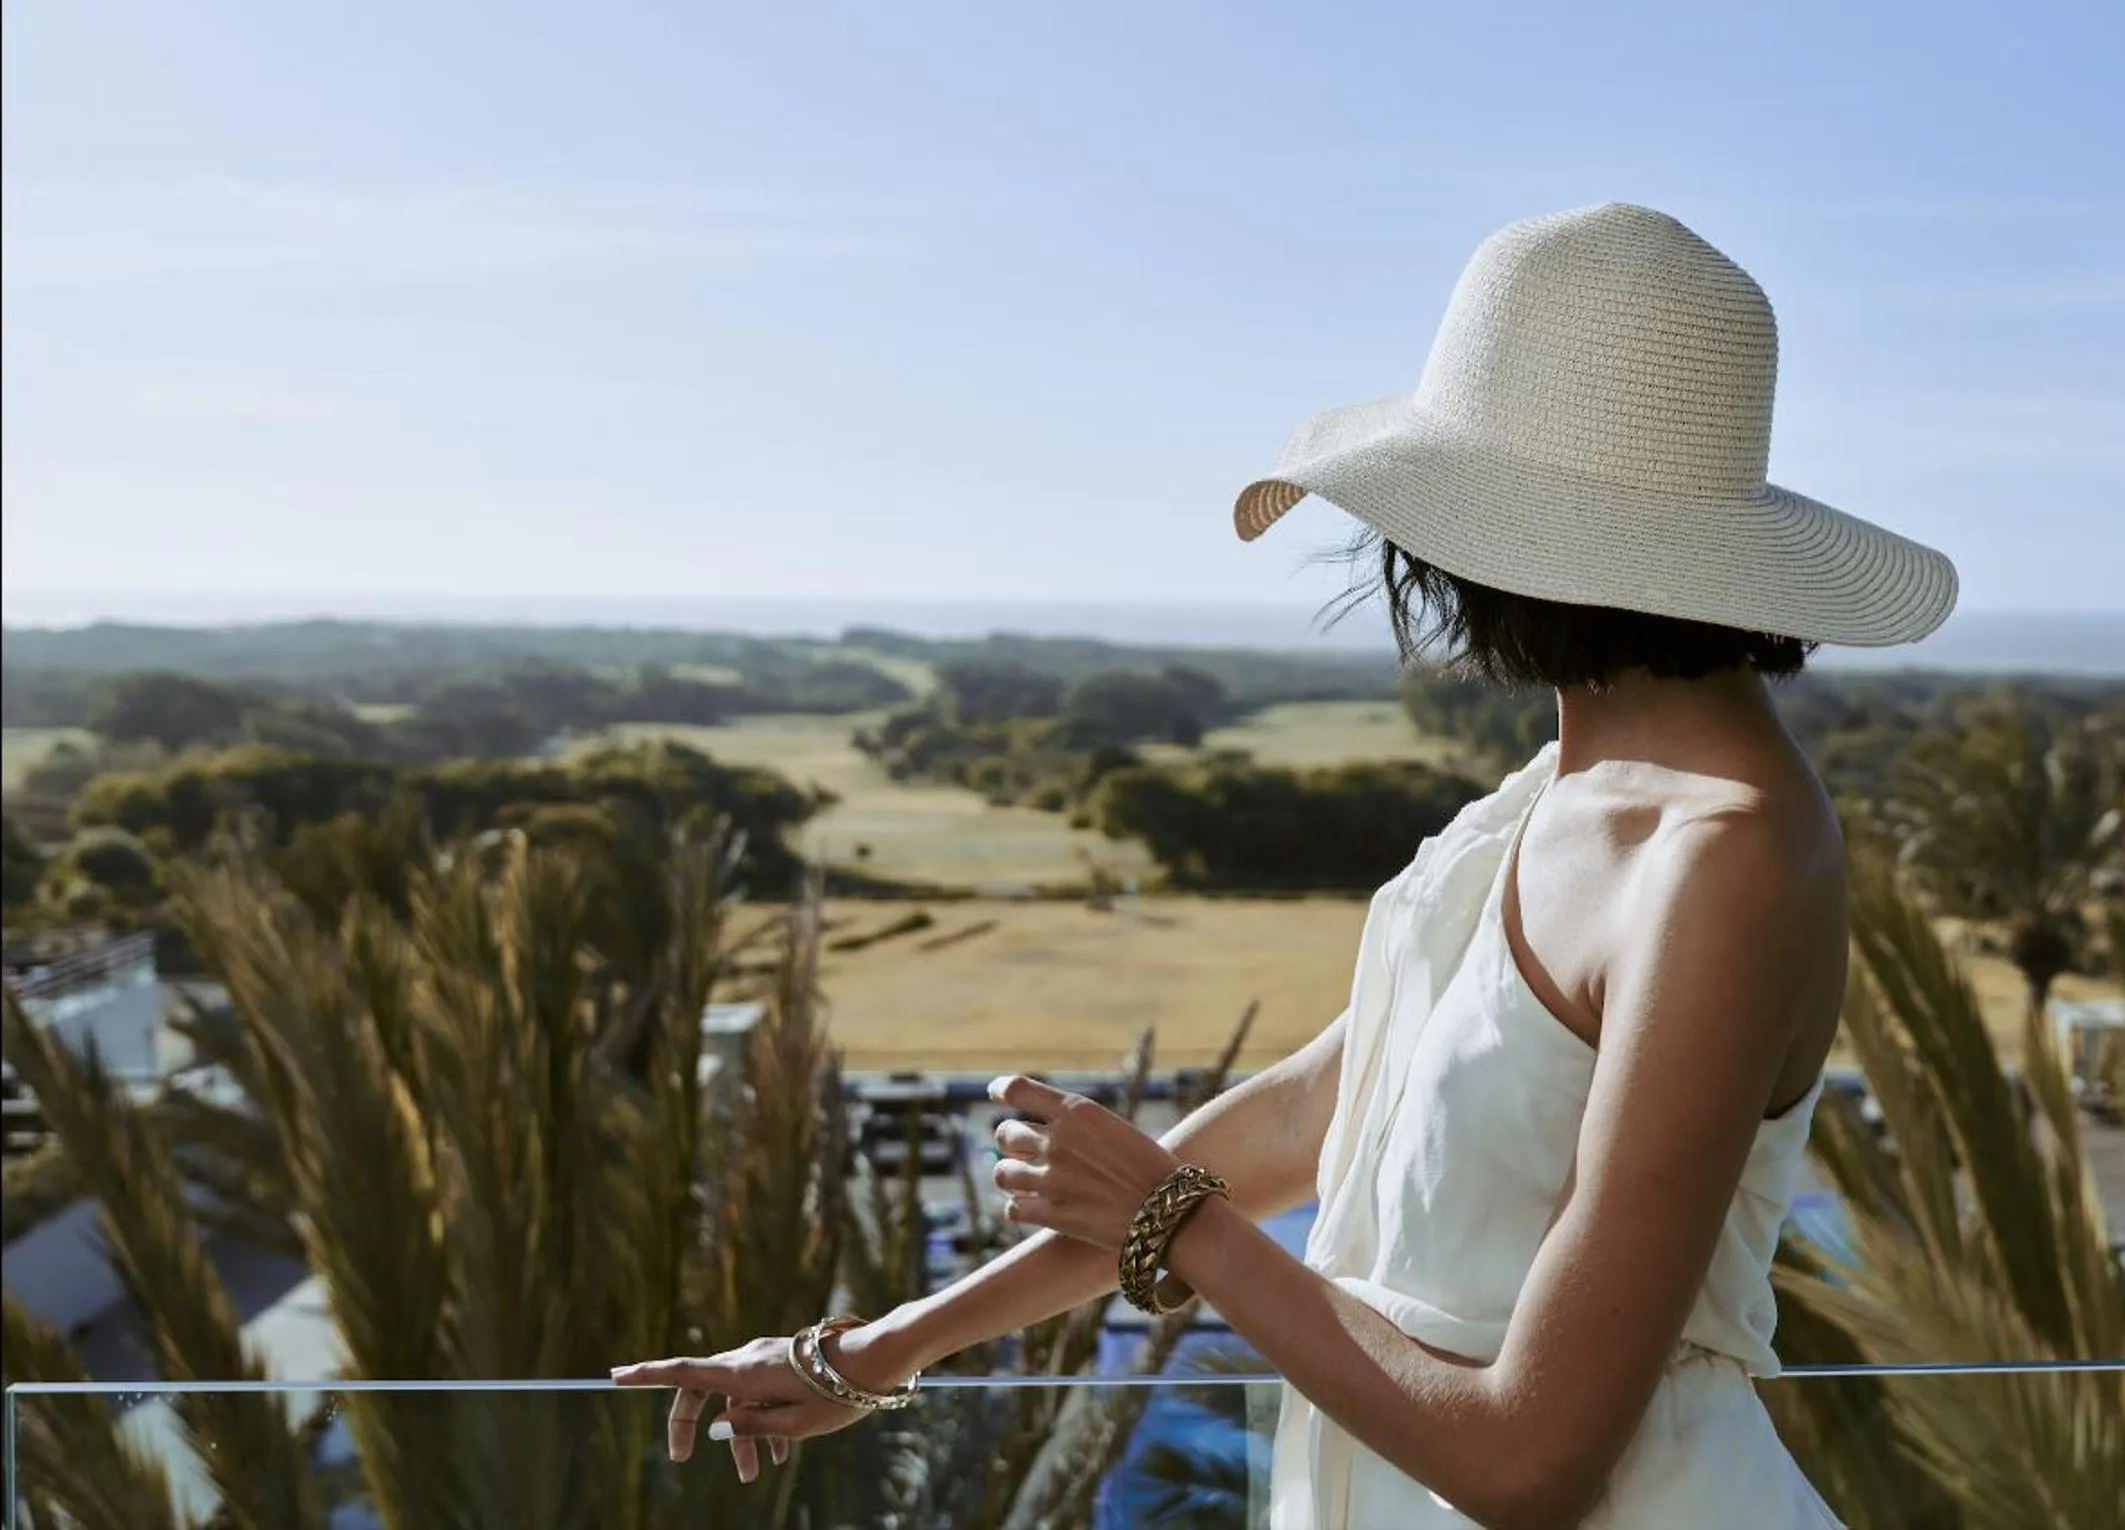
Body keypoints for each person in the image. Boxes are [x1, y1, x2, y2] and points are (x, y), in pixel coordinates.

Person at [613, 203, 1958, 1526]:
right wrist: (875, 1350)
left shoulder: (1722, 856)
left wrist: (1176, 1223)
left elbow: (1530, 1463)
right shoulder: (1558, 793)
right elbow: (1316, 1111)